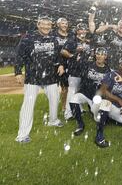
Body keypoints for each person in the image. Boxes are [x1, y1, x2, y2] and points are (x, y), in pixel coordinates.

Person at [14, 15, 65, 143]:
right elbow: (19, 55)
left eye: (48, 24)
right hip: (33, 77)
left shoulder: (54, 39)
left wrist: (60, 64)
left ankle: (53, 121)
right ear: (38, 24)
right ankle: (22, 135)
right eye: (43, 24)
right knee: (28, 105)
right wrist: (18, 72)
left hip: (50, 77)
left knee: (55, 100)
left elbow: (57, 54)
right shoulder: (28, 38)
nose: (46, 27)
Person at [94, 58, 122, 148]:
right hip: (101, 104)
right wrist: (119, 100)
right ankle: (99, 135)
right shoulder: (111, 74)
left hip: (117, 107)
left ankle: (108, 118)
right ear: (118, 65)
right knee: (106, 103)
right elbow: (103, 91)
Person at [69, 47, 110, 136]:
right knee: (73, 100)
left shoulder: (108, 71)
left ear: (105, 57)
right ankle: (80, 124)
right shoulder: (88, 64)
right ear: (95, 55)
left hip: (97, 97)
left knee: (98, 119)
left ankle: (98, 117)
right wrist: (80, 53)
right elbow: (76, 62)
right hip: (85, 93)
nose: (99, 56)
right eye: (98, 54)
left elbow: (106, 87)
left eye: (102, 54)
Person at [61, 23, 93, 120]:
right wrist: (72, 54)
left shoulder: (87, 42)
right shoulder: (72, 40)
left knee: (79, 91)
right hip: (74, 70)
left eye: (84, 30)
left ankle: (78, 108)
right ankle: (68, 113)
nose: (83, 31)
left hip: (84, 70)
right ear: (77, 31)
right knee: (72, 91)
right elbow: (63, 51)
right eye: (80, 30)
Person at [54, 17, 70, 112]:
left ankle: (66, 105)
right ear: (58, 24)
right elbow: (54, 51)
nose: (65, 25)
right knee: (60, 87)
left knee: (67, 87)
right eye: (63, 23)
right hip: (57, 64)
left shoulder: (70, 36)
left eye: (66, 23)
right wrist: (59, 63)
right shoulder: (54, 35)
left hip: (69, 64)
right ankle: (61, 106)